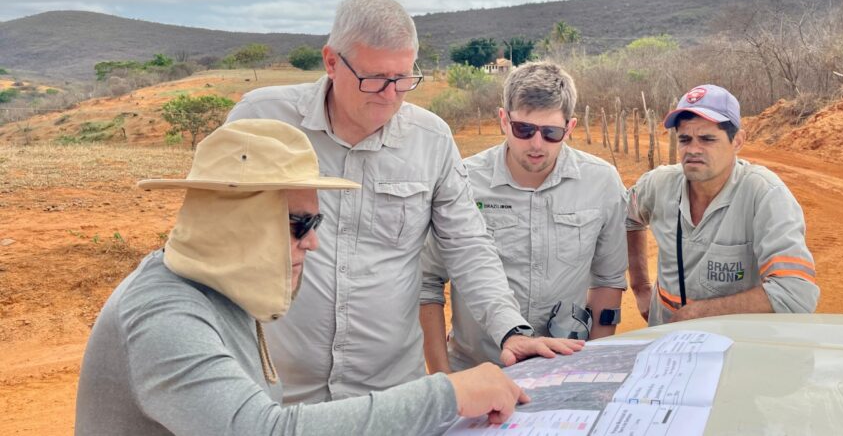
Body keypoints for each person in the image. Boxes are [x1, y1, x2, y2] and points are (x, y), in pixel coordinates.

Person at [225, 0, 580, 403]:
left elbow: (468, 244)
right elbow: (215, 233)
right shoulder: (260, 121)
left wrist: (510, 329)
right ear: (332, 62)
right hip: (277, 389)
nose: (390, 94)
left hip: (390, 393)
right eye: (375, 78)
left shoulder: (431, 139)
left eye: (403, 78)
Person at [75, 119, 530, 435]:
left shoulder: (222, 290)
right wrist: (446, 394)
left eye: (317, 223)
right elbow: (259, 430)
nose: (312, 242)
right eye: (299, 224)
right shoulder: (163, 314)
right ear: (235, 220)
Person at [420, 62, 628, 372]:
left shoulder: (602, 183)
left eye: (551, 133)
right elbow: (428, 282)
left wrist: (591, 366)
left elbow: (608, 282)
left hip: (563, 368)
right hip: (477, 369)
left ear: (570, 127)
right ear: (504, 120)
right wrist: (443, 376)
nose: (536, 144)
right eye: (524, 130)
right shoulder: (462, 182)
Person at [626, 85, 819, 325]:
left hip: (736, 342)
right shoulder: (659, 184)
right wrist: (640, 286)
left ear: (737, 141)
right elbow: (628, 216)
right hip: (664, 339)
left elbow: (795, 292)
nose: (693, 149)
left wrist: (699, 313)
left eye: (707, 139)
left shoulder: (765, 194)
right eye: (685, 139)